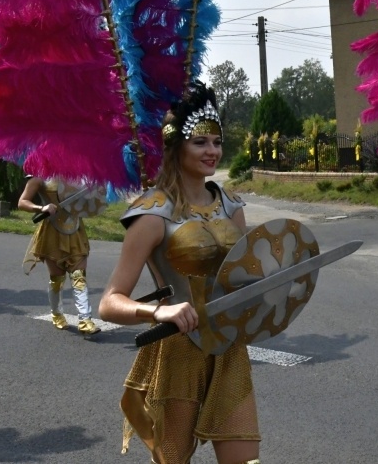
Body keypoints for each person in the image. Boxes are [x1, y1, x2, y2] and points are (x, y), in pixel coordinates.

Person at [98, 82, 260, 464]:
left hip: (229, 348)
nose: (213, 151)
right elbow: (108, 303)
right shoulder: (153, 213)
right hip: (178, 350)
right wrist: (159, 311)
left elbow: (248, 276)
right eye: (200, 142)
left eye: (216, 141)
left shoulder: (231, 206)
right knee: (172, 460)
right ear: (176, 146)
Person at [18, 177, 101, 335]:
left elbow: (89, 201)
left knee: (79, 276)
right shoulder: (39, 176)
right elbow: (22, 202)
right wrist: (42, 208)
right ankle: (56, 314)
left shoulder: (78, 173)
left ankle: (85, 320)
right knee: (57, 278)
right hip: (52, 231)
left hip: (75, 229)